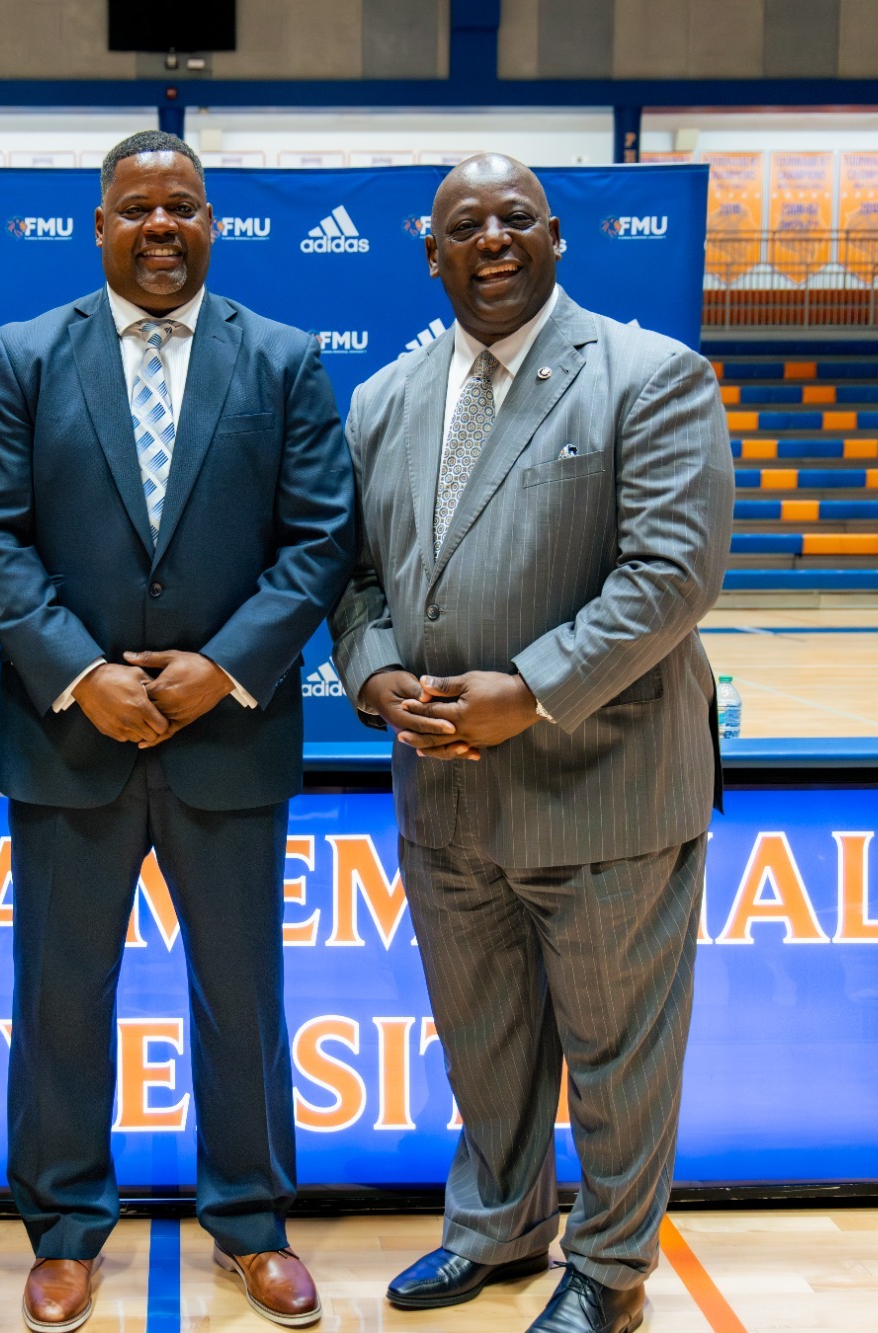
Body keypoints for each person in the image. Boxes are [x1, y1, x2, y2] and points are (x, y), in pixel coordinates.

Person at [0, 130, 355, 1332]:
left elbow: (319, 537)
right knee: (61, 994)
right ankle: (65, 1227)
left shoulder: (280, 360)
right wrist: (82, 674)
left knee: (241, 992)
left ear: (211, 221)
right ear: (99, 225)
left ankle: (249, 1220)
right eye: (136, 208)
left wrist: (214, 672)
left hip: (226, 738)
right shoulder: (23, 357)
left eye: (182, 205)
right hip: (69, 740)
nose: (161, 226)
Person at [329, 155, 733, 1333]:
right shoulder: (383, 402)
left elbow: (670, 576)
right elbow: (354, 580)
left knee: (617, 1054)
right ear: (431, 253)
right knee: (484, 1038)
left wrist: (530, 688)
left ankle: (608, 1268)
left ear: (556, 238)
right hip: (447, 797)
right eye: (465, 226)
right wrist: (375, 674)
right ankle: (497, 1229)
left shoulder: (648, 375)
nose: (490, 240)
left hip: (600, 780)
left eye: (514, 219)